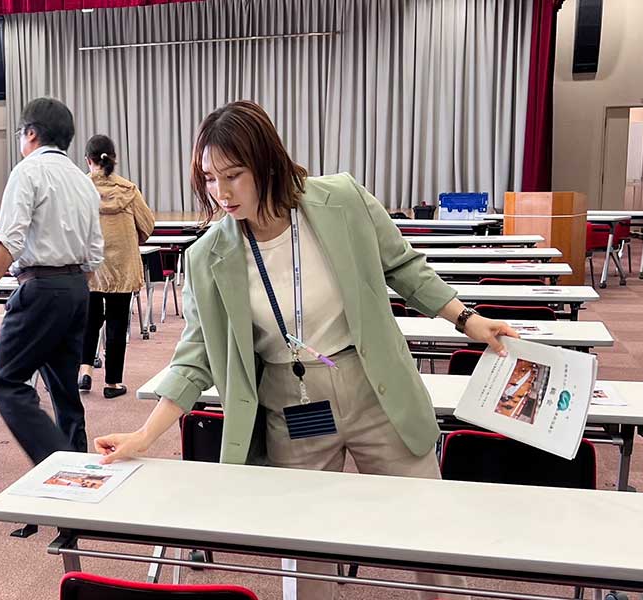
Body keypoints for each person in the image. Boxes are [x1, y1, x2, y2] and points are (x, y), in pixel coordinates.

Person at [94, 101, 518, 599]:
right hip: (293, 404)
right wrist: (145, 435)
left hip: (372, 387)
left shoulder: (340, 199)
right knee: (308, 545)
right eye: (209, 178)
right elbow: (196, 356)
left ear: (268, 162)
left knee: (427, 529)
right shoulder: (209, 254)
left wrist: (468, 320)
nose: (221, 193)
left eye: (234, 175)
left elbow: (403, 267)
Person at [0, 97, 104, 465]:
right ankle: (78, 492)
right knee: (65, 392)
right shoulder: (84, 181)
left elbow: (10, 237)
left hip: (41, 288)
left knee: (5, 382)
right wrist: (73, 288)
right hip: (78, 287)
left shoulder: (28, 171)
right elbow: (95, 252)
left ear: (30, 133)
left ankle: (58, 462)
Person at [79, 134, 155, 399]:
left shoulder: (79, 189)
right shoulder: (128, 190)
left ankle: (85, 371)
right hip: (122, 269)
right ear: (114, 159)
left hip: (90, 268)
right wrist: (133, 238)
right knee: (116, 322)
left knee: (88, 321)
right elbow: (148, 224)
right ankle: (112, 383)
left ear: (88, 160)